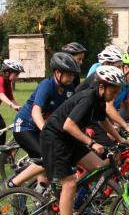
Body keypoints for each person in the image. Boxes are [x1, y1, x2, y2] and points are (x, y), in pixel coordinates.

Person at [41, 65, 128, 215]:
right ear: (102, 87)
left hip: (69, 139)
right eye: (113, 91)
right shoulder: (88, 98)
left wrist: (120, 139)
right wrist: (91, 143)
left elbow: (103, 120)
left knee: (99, 168)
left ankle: (74, 202)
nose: (115, 95)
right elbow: (68, 125)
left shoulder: (98, 99)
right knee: (69, 183)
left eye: (118, 91)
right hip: (56, 138)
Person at [8, 53, 79, 189]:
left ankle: (39, 193)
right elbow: (36, 112)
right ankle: (13, 183)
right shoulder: (47, 85)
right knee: (46, 157)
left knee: (52, 158)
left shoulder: (69, 89)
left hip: (40, 128)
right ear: (58, 72)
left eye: (73, 74)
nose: (72, 77)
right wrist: (48, 131)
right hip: (25, 127)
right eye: (69, 74)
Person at [0, 59, 25, 145]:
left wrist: (23, 109)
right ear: (8, 72)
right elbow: (1, 95)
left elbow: (11, 99)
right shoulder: (0, 79)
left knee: (2, 127)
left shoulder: (7, 82)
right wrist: (12, 105)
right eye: (16, 74)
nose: (18, 77)